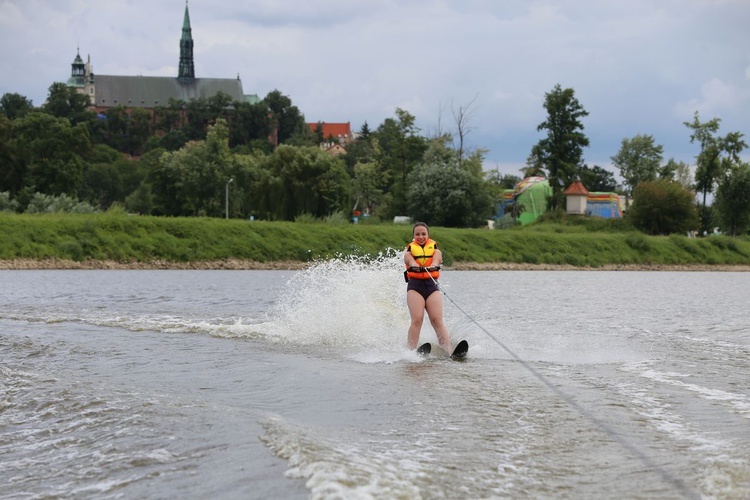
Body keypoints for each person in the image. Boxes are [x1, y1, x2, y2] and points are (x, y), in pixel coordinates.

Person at [403, 222, 453, 353]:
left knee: (437, 320)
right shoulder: (409, 251)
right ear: (413, 236)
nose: (420, 236)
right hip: (415, 288)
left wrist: (434, 265)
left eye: (423, 234)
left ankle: (449, 351)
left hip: (431, 286)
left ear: (428, 235)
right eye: (417, 234)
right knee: (417, 320)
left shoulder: (436, 250)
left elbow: (438, 258)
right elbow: (409, 260)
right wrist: (414, 264)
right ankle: (410, 352)